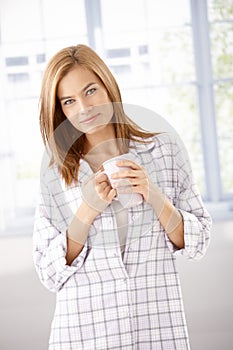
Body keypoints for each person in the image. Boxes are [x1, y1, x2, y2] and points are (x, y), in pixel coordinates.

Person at [33, 44, 212, 350]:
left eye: (91, 91)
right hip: (85, 333)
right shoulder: (56, 173)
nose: (84, 109)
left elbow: (198, 241)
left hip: (157, 329)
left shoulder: (164, 150)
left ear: (108, 86)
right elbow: (49, 272)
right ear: (60, 110)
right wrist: (86, 212)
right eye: (69, 101)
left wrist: (154, 194)